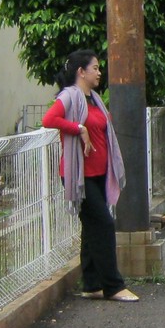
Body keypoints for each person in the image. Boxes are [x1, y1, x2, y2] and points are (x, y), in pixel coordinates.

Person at [42, 49, 139, 302]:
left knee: (92, 227)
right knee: (104, 224)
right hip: (79, 175)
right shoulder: (70, 96)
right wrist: (78, 128)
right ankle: (114, 286)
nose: (99, 72)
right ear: (80, 72)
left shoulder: (94, 98)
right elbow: (49, 119)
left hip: (98, 172)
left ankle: (92, 283)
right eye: (95, 68)